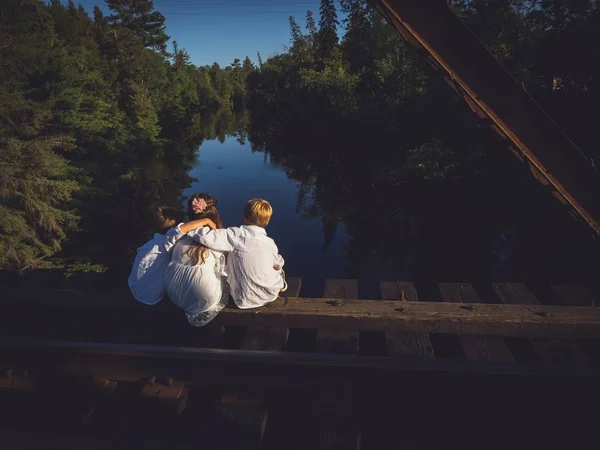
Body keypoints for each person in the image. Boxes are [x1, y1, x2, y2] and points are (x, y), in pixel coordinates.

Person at [190, 198, 287, 309]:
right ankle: (281, 283)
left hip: (243, 298)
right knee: (277, 263)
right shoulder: (270, 243)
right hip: (271, 293)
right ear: (267, 221)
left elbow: (205, 237)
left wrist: (197, 225)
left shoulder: (235, 235)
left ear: (245, 218)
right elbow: (276, 261)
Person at [164, 193, 230, 327]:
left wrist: (205, 222)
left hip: (173, 293)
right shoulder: (217, 238)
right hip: (204, 298)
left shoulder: (179, 235)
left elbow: (179, 230)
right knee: (224, 272)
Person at [128, 206, 215, 306]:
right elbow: (183, 228)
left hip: (134, 287)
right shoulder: (167, 241)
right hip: (152, 296)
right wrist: (207, 220)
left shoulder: (151, 243)